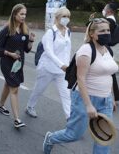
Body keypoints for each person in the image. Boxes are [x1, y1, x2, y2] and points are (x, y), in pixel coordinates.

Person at [43, 18, 118, 154]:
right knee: (74, 134)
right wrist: (89, 105)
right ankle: (51, 138)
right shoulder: (86, 51)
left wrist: (111, 97)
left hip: (105, 100)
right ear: (92, 34)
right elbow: (81, 78)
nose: (106, 33)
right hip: (85, 98)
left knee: (104, 138)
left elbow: (109, 75)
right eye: (102, 31)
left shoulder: (107, 50)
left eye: (108, 30)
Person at [26, 7, 71, 119]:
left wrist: (68, 65)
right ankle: (30, 106)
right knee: (38, 90)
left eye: (68, 16)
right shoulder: (50, 33)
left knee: (66, 95)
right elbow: (49, 52)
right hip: (47, 68)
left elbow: (67, 51)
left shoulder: (68, 31)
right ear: (57, 18)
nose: (66, 19)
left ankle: (70, 119)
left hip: (62, 71)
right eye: (64, 16)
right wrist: (62, 65)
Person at [0, 4, 35, 128]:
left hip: (18, 64)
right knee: (14, 88)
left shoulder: (24, 30)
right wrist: (10, 54)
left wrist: (31, 41)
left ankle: (0, 105)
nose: (24, 16)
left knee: (8, 84)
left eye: (25, 14)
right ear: (14, 14)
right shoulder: (6, 30)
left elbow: (26, 50)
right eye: (21, 14)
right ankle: (17, 119)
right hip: (7, 63)